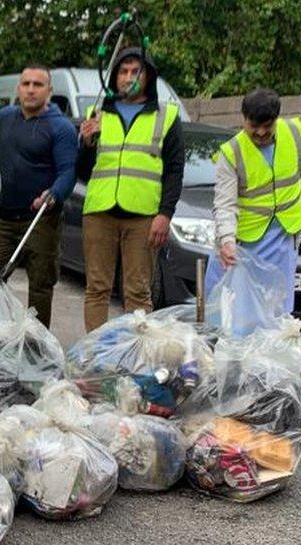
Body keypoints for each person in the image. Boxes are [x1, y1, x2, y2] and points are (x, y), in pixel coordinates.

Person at [77, 48, 185, 332]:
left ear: (148, 77)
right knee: (96, 288)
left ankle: (135, 355)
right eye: (123, 72)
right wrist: (86, 143)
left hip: (143, 215)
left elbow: (175, 170)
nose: (128, 78)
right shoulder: (97, 113)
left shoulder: (167, 116)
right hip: (100, 211)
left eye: (136, 71)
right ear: (114, 78)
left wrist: (165, 214)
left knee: (138, 291)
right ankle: (96, 355)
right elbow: (83, 171)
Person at [205, 88, 301, 311]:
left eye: (267, 126)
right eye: (253, 126)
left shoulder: (295, 135)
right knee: (240, 310)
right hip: (245, 243)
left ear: (276, 120)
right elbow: (224, 204)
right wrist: (227, 241)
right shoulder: (231, 153)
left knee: (277, 308)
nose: (260, 132)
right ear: (244, 119)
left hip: (283, 236)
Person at [0, 64, 78, 327]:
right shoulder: (5, 117)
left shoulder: (61, 127)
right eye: (26, 84)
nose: (31, 89)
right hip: (6, 218)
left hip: (41, 219)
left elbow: (68, 173)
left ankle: (38, 347)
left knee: (41, 285)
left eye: (38, 84)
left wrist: (54, 194)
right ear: (18, 88)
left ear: (49, 91)